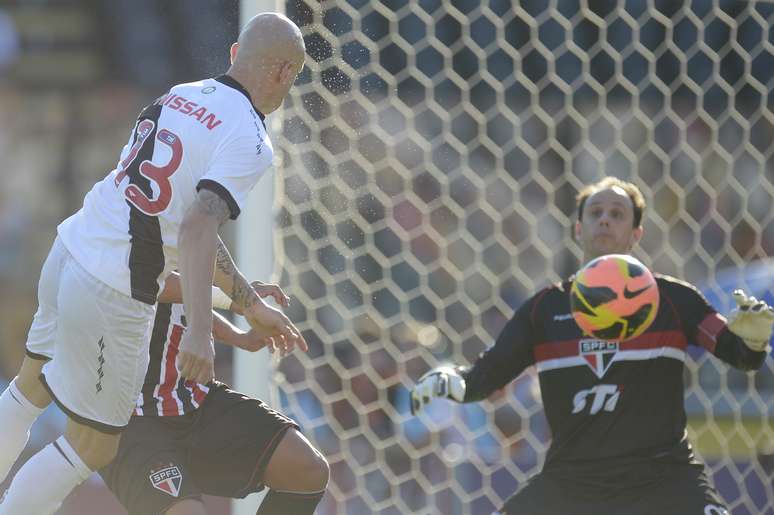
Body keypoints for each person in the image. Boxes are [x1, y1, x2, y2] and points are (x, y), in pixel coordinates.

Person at [0, 12, 307, 514]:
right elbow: (196, 228)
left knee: (29, 389)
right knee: (92, 446)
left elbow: (184, 222)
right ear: (283, 74)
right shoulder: (251, 139)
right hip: (111, 289)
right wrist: (201, 332)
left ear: (233, 56)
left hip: (71, 246)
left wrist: (248, 303)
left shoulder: (180, 93)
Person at [410, 177, 773, 515]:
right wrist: (450, 380)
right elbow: (482, 379)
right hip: (571, 480)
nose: (605, 220)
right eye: (595, 213)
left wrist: (753, 339)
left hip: (665, 476)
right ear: (579, 229)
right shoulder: (544, 310)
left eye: (617, 214)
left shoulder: (676, 300)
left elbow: (741, 356)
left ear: (635, 233)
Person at [100, 275, 328, 515]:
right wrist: (240, 297)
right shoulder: (113, 241)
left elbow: (182, 302)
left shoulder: (190, 241)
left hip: (191, 397)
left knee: (305, 468)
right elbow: (148, 281)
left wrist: (238, 336)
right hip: (128, 416)